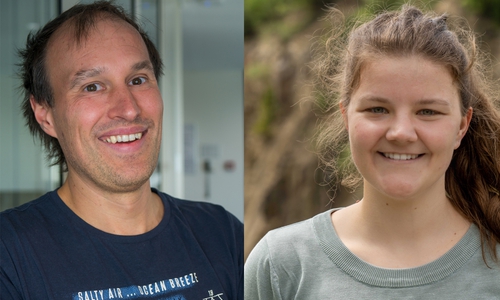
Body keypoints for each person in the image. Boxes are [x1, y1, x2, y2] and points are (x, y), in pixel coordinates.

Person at [245, 4, 500, 299]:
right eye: (377, 109)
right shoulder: (281, 264)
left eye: (428, 111)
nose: (401, 133)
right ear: (347, 118)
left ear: (461, 126)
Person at [0, 2, 242, 299]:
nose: (128, 109)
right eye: (92, 87)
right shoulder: (9, 255)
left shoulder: (221, 233)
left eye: (138, 80)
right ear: (46, 115)